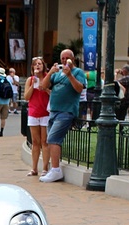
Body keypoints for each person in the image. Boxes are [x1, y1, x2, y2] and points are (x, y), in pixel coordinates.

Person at [39, 49, 86, 183]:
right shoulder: (57, 73)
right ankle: (53, 168)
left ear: (73, 59)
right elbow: (43, 86)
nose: (65, 61)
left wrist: (70, 75)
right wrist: (50, 72)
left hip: (66, 111)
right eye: (63, 58)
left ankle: (55, 170)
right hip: (54, 110)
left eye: (67, 58)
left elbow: (79, 88)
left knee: (53, 139)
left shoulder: (78, 72)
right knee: (51, 140)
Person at [24, 57, 50, 176]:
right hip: (33, 112)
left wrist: (44, 88)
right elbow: (26, 97)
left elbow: (52, 93)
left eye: (40, 64)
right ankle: (34, 168)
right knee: (35, 141)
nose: (38, 66)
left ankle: (45, 168)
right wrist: (32, 86)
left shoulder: (47, 78)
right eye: (35, 64)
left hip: (45, 112)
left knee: (44, 141)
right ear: (33, 67)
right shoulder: (30, 80)